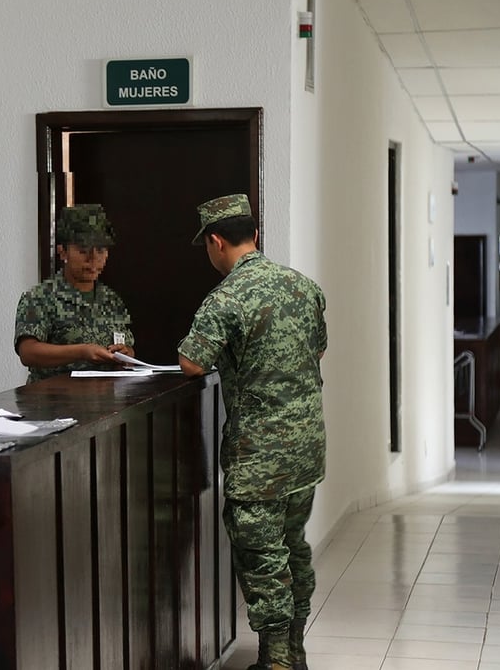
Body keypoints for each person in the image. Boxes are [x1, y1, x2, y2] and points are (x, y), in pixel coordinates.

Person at [177, 195, 327, 670]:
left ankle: (277, 660)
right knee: (293, 546)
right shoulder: (303, 286)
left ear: (217, 242)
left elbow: (190, 362)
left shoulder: (227, 298)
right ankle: (295, 649)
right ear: (255, 236)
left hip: (259, 456)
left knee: (262, 556)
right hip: (305, 449)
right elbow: (317, 350)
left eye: (208, 246)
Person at [14, 204, 135, 382]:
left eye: (101, 250)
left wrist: (125, 355)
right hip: (53, 402)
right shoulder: (41, 297)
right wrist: (81, 352)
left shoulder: (111, 300)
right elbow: (28, 352)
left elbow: (128, 347)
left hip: (105, 403)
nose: (93, 259)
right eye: (83, 250)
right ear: (63, 251)